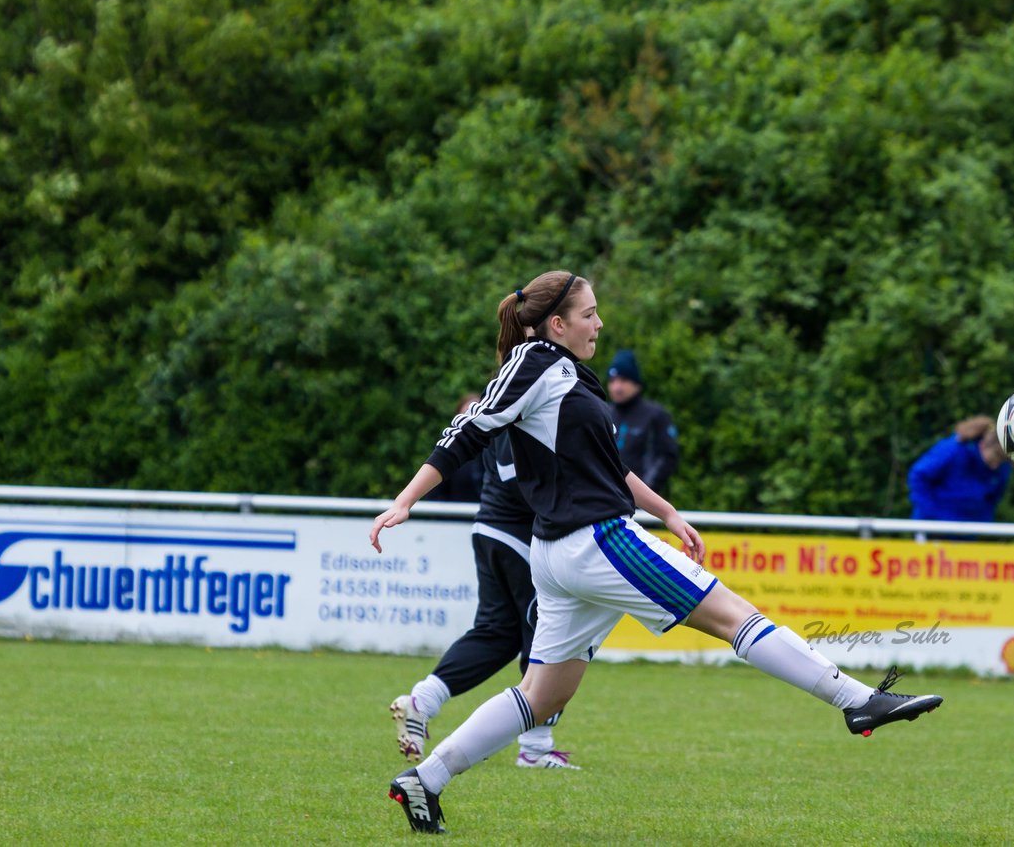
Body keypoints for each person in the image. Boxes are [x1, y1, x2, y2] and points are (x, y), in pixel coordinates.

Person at [370, 270, 943, 835]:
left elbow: (608, 469)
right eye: (590, 313)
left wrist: (666, 511)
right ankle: (858, 699)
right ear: (556, 323)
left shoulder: (570, 374)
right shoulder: (534, 362)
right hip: (596, 542)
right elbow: (469, 428)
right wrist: (407, 499)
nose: (599, 322)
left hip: (564, 552)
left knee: (541, 697)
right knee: (734, 618)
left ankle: (427, 777)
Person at [390, 432, 578, 771]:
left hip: (496, 530)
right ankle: (535, 748)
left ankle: (423, 701)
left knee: (498, 634)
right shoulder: (520, 407)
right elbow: (512, 473)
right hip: (515, 536)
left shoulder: (516, 406)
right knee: (546, 632)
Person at [907, 415, 1011, 522]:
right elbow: (919, 475)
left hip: (968, 531)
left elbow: (993, 499)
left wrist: (982, 522)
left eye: (1001, 461)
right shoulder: (953, 449)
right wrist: (931, 515)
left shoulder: (1003, 466)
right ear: (984, 445)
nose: (996, 466)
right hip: (933, 527)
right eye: (995, 458)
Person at [606, 349, 679, 495]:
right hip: (608, 501)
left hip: (645, 505)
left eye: (623, 380)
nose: (617, 387)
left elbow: (667, 457)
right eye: (612, 381)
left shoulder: (656, 415)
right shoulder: (604, 413)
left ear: (636, 383)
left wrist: (645, 493)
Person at [423, 393, 485, 503]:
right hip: (455, 517)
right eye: (467, 414)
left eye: (477, 414)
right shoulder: (447, 451)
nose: (471, 420)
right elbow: (435, 494)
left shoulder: (496, 450)